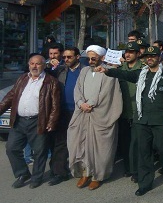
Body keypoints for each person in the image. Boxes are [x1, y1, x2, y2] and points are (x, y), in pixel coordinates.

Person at [100, 45, 163, 196]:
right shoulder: (140, 74)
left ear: (158, 58)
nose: (150, 59)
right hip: (142, 119)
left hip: (161, 119)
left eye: (153, 56)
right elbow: (124, 74)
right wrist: (108, 71)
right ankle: (145, 182)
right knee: (143, 152)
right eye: (147, 57)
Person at [0, 53, 61, 188]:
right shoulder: (22, 78)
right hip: (19, 121)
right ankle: (22, 173)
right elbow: (10, 97)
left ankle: (36, 178)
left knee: (39, 151)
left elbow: (56, 105)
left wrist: (51, 122)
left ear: (44, 65)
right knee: (11, 148)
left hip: (38, 121)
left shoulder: (51, 81)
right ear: (28, 65)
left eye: (38, 63)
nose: (34, 66)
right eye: (32, 63)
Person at [67, 45, 123, 190]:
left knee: (100, 149)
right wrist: (80, 103)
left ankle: (98, 175)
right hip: (82, 113)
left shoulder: (109, 72)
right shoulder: (84, 70)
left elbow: (106, 93)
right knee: (80, 144)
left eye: (94, 58)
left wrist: (89, 104)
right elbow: (77, 89)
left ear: (102, 58)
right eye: (89, 58)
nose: (91, 61)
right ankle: (85, 173)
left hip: (100, 115)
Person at [48, 46, 83, 186]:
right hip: (62, 111)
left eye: (69, 57)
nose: (66, 60)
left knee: (80, 142)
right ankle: (59, 172)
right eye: (64, 57)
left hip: (79, 112)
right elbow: (43, 75)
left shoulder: (85, 71)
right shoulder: (60, 70)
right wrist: (50, 66)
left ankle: (82, 170)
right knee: (60, 142)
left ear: (77, 57)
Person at [115, 41, 144, 182]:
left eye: (131, 52)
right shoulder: (120, 69)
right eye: (126, 52)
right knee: (125, 143)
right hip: (123, 112)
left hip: (138, 113)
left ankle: (137, 170)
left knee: (137, 143)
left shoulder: (143, 68)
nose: (128, 54)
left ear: (138, 54)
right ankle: (128, 167)